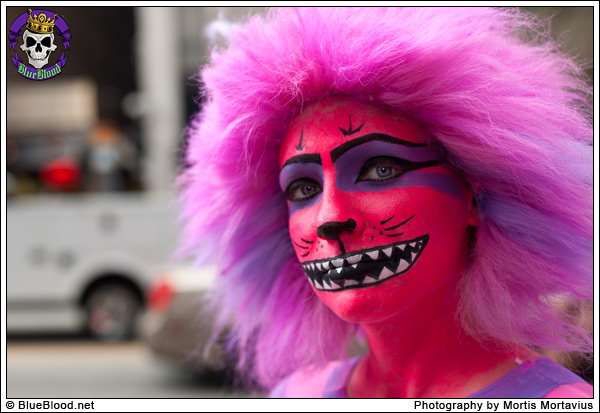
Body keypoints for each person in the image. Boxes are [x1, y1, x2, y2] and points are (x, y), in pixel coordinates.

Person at [177, 8, 592, 398]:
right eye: (303, 189)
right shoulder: (297, 396)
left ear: (474, 194)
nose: (330, 219)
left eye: (380, 169)